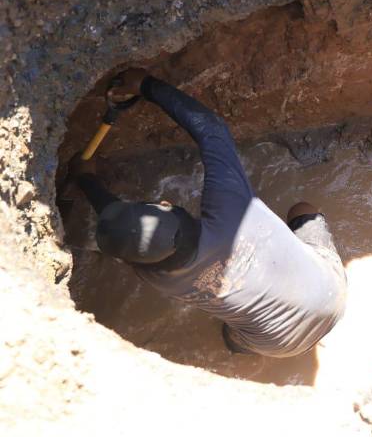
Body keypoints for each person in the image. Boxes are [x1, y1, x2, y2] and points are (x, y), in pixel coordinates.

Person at [67, 68, 347, 357]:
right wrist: (146, 85)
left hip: (277, 347)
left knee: (233, 336)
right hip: (331, 295)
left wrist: (87, 180)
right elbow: (212, 130)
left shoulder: (156, 277)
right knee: (303, 210)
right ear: (167, 206)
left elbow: (126, 237)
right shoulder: (232, 213)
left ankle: (236, 345)